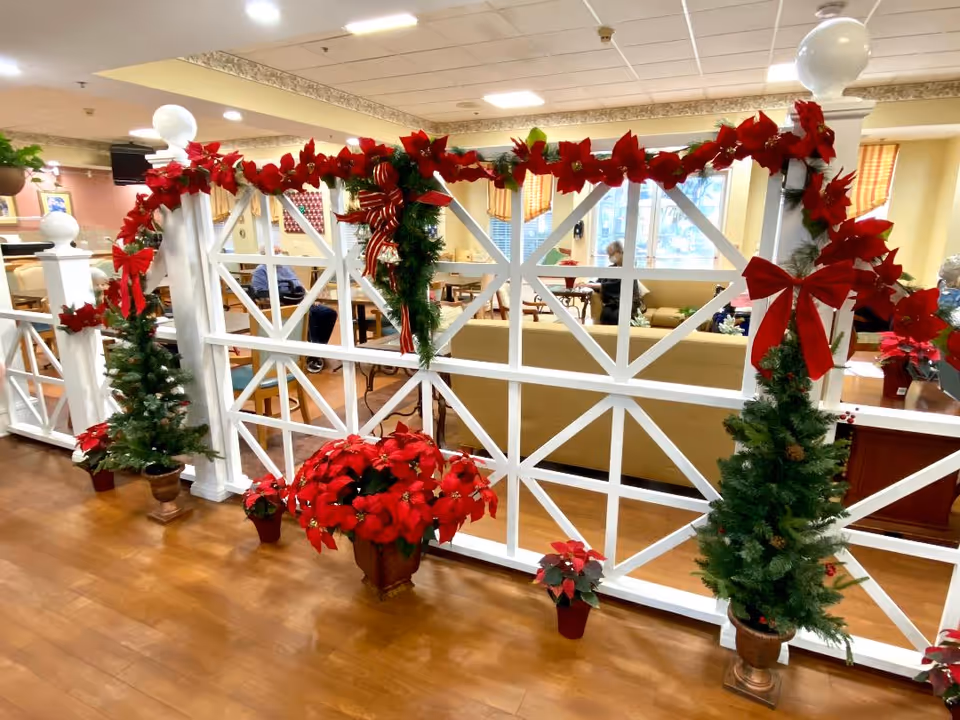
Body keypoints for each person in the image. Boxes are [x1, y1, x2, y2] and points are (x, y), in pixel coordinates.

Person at [251, 263, 337, 374]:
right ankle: (312, 355)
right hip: (282, 305)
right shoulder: (261, 271)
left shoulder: (286, 267)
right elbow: (260, 294)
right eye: (276, 252)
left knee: (328, 313)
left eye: (279, 252)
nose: (279, 255)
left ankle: (318, 348)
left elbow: (299, 286)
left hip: (300, 302)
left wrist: (309, 297)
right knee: (307, 314)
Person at [579, 241, 647, 325]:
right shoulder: (611, 268)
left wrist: (591, 285)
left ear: (619, 252)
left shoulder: (628, 268)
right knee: (606, 313)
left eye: (611, 254)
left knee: (617, 315)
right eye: (609, 255)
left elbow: (614, 286)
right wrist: (589, 283)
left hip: (628, 302)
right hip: (613, 303)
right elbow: (600, 281)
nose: (610, 257)